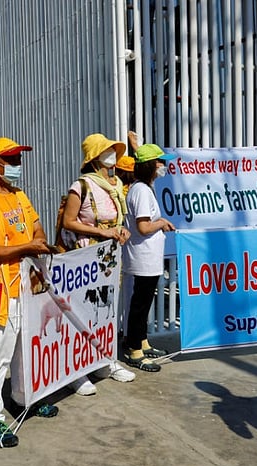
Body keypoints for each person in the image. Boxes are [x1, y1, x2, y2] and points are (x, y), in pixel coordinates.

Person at [0, 136, 57, 449]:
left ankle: (23, 398)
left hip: (25, 282)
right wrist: (25, 247)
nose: (17, 165)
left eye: (19, 159)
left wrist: (36, 241)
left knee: (25, 346)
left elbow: (37, 229)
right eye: (11, 160)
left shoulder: (20, 196)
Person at [59, 133, 136, 395]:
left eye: (112, 150)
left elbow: (117, 220)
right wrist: (101, 233)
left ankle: (105, 361)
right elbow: (68, 222)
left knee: (107, 311)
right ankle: (77, 371)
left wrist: (120, 231)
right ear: (94, 157)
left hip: (110, 257)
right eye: (107, 151)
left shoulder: (114, 185)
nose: (112, 155)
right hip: (86, 256)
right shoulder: (81, 186)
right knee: (83, 311)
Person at [122, 144, 176, 372]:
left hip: (147, 257)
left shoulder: (143, 188)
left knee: (143, 303)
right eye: (159, 162)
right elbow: (143, 226)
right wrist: (162, 223)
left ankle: (141, 342)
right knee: (140, 304)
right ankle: (134, 350)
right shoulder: (142, 191)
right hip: (143, 257)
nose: (163, 165)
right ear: (150, 166)